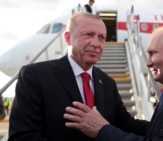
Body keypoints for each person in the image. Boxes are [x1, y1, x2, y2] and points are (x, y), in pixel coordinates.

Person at [64, 25, 163, 141]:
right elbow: (157, 130)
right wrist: (117, 121)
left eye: (153, 53)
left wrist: (102, 130)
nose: (147, 63)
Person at [8, 13, 148, 141]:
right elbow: (23, 137)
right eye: (88, 35)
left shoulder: (107, 82)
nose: (96, 44)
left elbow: (125, 124)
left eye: (101, 38)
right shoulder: (35, 76)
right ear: (68, 38)